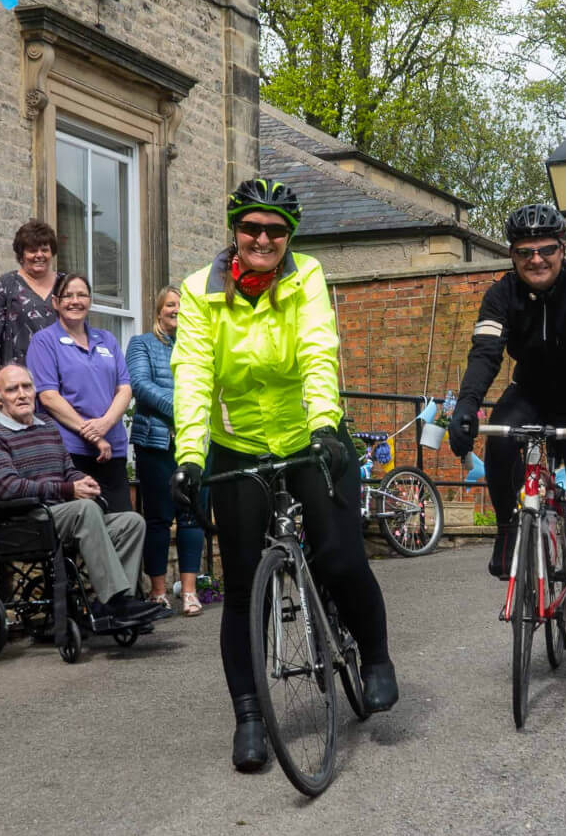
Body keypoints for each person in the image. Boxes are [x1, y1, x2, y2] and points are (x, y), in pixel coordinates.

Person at [169, 178, 397, 774]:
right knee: (244, 590)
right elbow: (192, 375)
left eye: (274, 230)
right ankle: (249, 716)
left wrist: (325, 426)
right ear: (235, 233)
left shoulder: (306, 278)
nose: (262, 238)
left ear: (288, 236)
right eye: (251, 228)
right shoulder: (200, 293)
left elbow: (320, 351)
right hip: (239, 443)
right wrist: (190, 457)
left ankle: (374, 658)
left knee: (343, 556)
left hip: (309, 435)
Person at [446, 202, 566, 687]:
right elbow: (485, 353)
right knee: (500, 444)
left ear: (562, 249)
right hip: (528, 395)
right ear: (512, 255)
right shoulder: (501, 293)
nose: (536, 260)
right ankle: (511, 526)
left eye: (546, 250)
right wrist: (466, 407)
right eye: (524, 252)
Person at [0, 364, 168, 636]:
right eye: (12, 389)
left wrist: (83, 480)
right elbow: (10, 488)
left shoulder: (48, 426)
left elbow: (67, 468)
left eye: (26, 387)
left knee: (131, 522)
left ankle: (110, 605)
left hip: (62, 516)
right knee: (85, 510)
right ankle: (118, 602)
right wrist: (67, 490)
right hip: (22, 523)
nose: (21, 394)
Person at [25, 272, 135, 513]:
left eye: (82, 295)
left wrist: (105, 424)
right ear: (55, 302)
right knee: (85, 527)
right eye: (68, 295)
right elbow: (48, 397)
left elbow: (124, 388)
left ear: (90, 300)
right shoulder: (44, 341)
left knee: (123, 521)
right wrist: (94, 435)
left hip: (112, 448)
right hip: (70, 451)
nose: (75, 301)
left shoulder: (107, 340)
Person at [126, 286, 204, 615]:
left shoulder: (198, 346)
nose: (177, 310)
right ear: (159, 310)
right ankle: (158, 591)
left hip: (195, 444)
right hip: (156, 442)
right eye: (171, 305)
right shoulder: (141, 344)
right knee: (158, 519)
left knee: (192, 517)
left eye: (182, 305)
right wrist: (185, 408)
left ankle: (189, 592)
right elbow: (141, 385)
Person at [0, 218, 61, 376]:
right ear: (21, 255)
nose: (39, 255)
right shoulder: (7, 283)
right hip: (19, 373)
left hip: (59, 370)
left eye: (44, 250)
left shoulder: (65, 284)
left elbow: (79, 325)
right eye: (32, 250)